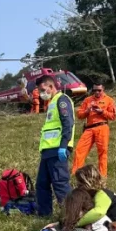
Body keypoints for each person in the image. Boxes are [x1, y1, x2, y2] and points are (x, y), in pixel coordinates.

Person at [35, 74, 75, 217]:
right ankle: (44, 214)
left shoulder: (62, 100)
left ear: (51, 87)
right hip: (47, 150)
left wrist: (64, 145)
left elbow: (68, 124)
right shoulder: (52, 102)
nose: (41, 93)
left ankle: (71, 215)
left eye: (43, 89)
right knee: (41, 184)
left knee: (60, 183)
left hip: (58, 149)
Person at [72, 81, 116, 177]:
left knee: (102, 152)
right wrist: (87, 111)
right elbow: (79, 115)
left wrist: (102, 112)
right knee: (79, 150)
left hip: (102, 127)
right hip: (89, 129)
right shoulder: (87, 100)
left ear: (103, 89)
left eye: (99, 90)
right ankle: (75, 174)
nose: (97, 92)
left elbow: (113, 116)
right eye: (94, 90)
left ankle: (102, 176)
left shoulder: (109, 100)